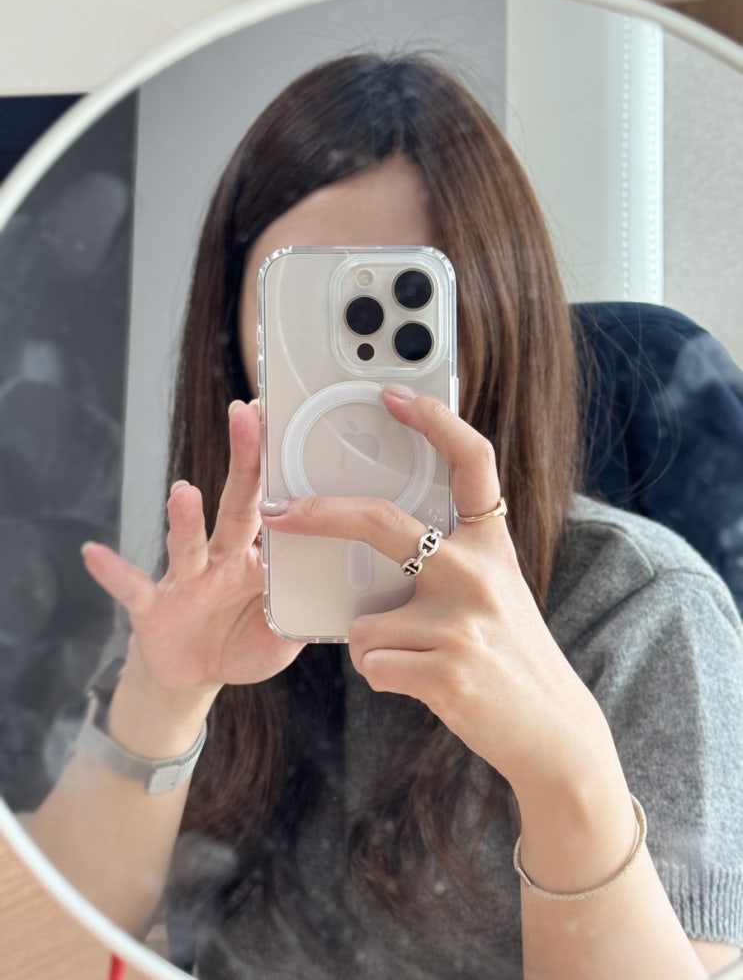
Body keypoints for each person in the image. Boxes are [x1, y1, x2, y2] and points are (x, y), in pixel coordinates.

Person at [23, 53, 742, 980]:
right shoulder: (209, 592)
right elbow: (37, 961)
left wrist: (565, 769)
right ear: (232, 329)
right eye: (307, 304)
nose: (354, 369)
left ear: (496, 313)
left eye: (411, 297)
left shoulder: (640, 608)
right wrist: (159, 698)